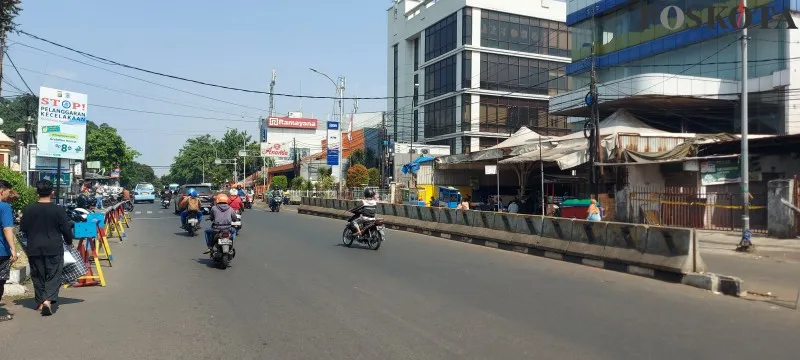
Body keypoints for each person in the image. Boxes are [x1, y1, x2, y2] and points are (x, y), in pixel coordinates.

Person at [20, 180, 73, 316]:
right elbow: (66, 229)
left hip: (34, 247)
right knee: (54, 274)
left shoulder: (28, 209)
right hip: (53, 247)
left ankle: (40, 301)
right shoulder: (58, 210)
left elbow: (23, 229)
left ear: (37, 192)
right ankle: (47, 301)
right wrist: (69, 242)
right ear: (52, 193)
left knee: (38, 275)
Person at [0, 180, 18, 321]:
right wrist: (13, 249)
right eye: (8, 191)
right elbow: (7, 229)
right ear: (2, 191)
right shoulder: (4, 207)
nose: (8, 194)